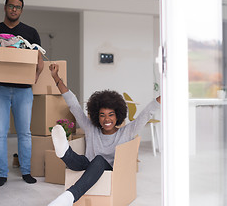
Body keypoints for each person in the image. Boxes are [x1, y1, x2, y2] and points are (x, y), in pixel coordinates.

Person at [47, 63, 161, 206]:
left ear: (117, 115)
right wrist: (55, 76)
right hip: (86, 165)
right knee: (81, 160)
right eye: (102, 115)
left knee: (99, 160)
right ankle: (64, 151)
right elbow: (74, 105)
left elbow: (147, 112)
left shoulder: (128, 132)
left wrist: (167, 93)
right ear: (96, 116)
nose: (107, 119)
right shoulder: (91, 129)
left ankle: (69, 196)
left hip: (106, 169)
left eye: (111, 115)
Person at [0, 0, 44, 187]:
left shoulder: (30, 33)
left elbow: (38, 61)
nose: (14, 9)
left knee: (25, 133)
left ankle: (26, 172)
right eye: (11, 6)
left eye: (18, 7)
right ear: (5, 7)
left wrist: (35, 77)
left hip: (23, 90)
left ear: (21, 10)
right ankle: (2, 174)